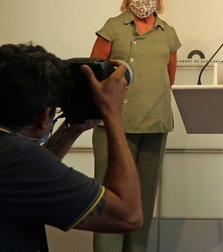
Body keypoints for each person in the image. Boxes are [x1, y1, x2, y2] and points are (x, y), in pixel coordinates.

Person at [0, 43, 142, 252]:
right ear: (44, 116)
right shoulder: (16, 157)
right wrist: (113, 114)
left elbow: (32, 177)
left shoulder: (12, 156)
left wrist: (73, 129)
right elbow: (128, 216)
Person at [90, 0, 181, 252]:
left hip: (154, 125)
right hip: (114, 127)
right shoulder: (113, 27)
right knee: (109, 196)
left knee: (143, 199)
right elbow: (93, 72)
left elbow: (169, 77)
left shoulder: (169, 33)